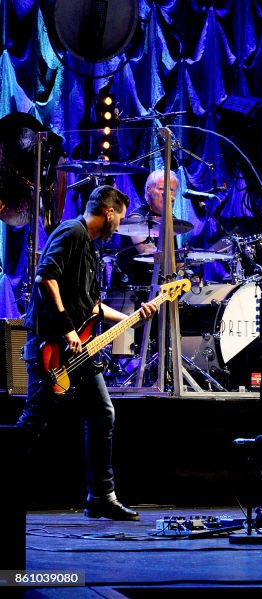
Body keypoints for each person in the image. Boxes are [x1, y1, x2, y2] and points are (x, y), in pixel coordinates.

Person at [18, 185, 158, 521]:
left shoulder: (90, 248)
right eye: (120, 217)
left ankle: (100, 497)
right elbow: (45, 278)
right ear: (109, 212)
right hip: (53, 347)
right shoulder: (72, 232)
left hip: (80, 352)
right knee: (32, 423)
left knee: (102, 413)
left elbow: (90, 307)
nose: (120, 225)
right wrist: (67, 330)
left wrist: (133, 318)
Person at [113, 169, 180, 290]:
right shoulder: (137, 218)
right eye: (161, 189)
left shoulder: (171, 219)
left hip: (159, 284)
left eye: (171, 190)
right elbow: (148, 252)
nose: (167, 195)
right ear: (149, 190)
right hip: (132, 289)